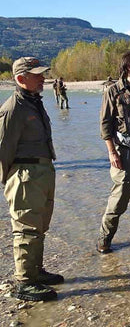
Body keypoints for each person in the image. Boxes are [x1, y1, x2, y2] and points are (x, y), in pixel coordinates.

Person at [0, 57, 63, 302]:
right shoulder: (13, 108)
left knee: (40, 227)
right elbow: (3, 148)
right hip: (25, 176)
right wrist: (8, 183)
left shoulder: (33, 102)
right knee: (26, 228)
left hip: (42, 173)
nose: (43, 77)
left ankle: (36, 271)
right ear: (20, 79)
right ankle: (25, 283)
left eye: (42, 73)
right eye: (37, 74)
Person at [96, 51, 130, 253]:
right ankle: (105, 239)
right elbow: (105, 126)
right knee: (119, 199)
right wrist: (112, 153)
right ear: (129, 67)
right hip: (123, 151)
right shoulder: (113, 91)